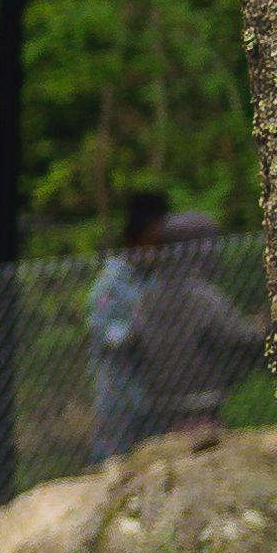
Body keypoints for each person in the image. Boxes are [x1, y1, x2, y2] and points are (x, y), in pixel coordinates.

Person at [130, 207, 264, 437]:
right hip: (201, 405)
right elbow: (239, 337)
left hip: (162, 408)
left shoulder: (148, 297)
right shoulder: (200, 295)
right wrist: (264, 326)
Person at [85, 189, 168, 461]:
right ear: (134, 240)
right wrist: (138, 329)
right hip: (119, 398)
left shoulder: (159, 280)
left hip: (155, 398)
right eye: (150, 244)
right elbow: (104, 335)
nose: (155, 253)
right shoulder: (111, 282)